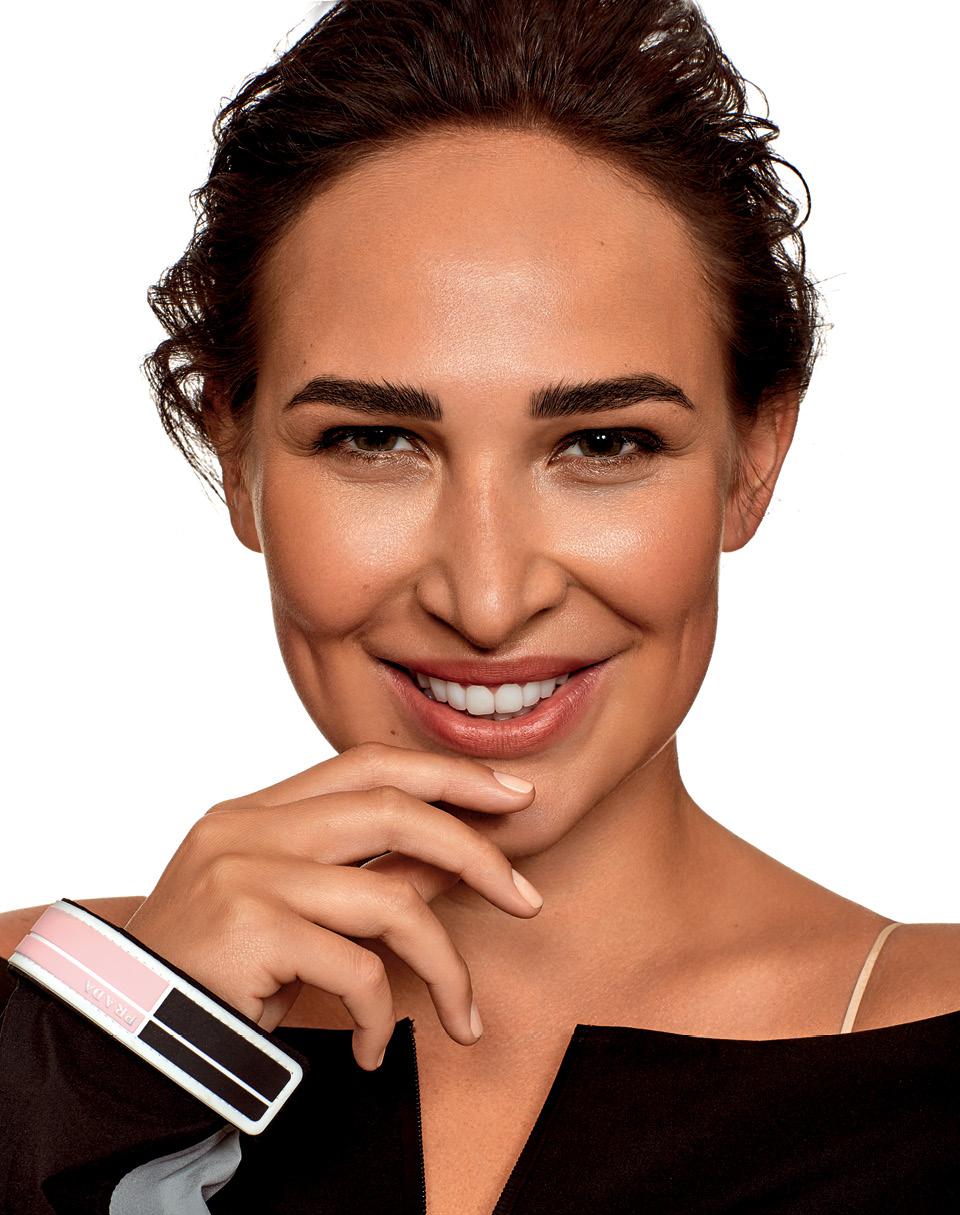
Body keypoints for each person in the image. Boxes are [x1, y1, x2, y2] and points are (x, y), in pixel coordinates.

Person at [3, 0, 959, 1211]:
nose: (489, 601)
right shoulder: (45, 1020)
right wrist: (114, 1065)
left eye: (604, 443)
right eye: (373, 440)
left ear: (754, 459)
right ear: (234, 456)